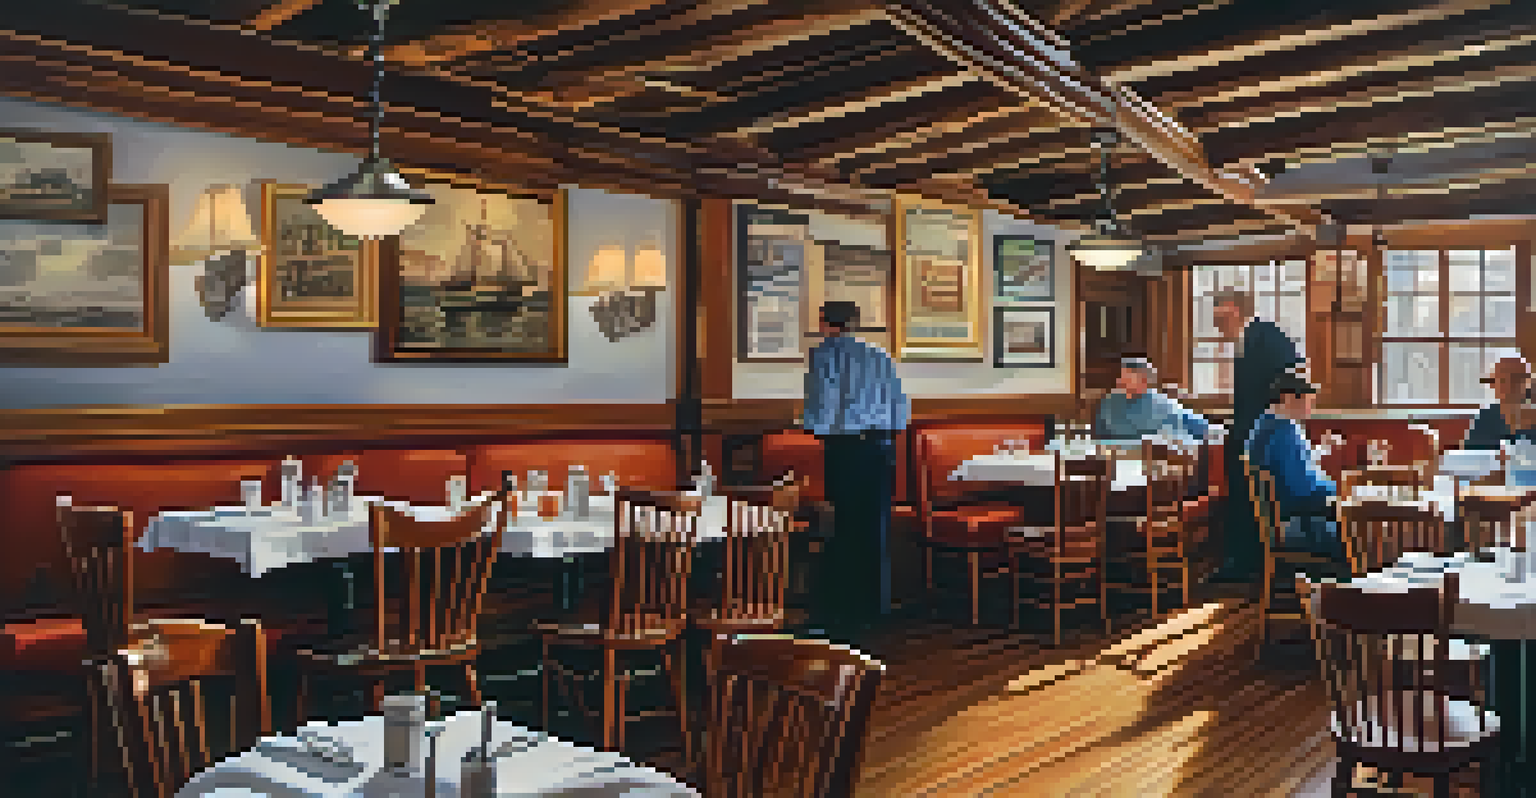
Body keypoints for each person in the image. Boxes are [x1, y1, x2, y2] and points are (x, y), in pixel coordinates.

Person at [802, 300, 909, 639]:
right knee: (875, 525)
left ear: (824, 321)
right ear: (855, 320)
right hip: (882, 446)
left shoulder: (825, 354)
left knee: (844, 525)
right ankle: (875, 609)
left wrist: (813, 427)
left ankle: (841, 613)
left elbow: (824, 404)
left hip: (846, 447)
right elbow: (899, 408)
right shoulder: (881, 355)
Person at [1212, 288, 1304, 581]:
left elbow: (1293, 378)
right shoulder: (1246, 340)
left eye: (1219, 313)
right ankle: (1242, 563)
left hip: (1263, 435)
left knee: (1259, 499)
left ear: (1235, 309)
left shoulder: (1267, 336)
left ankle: (1254, 565)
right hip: (1247, 433)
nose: (1215, 321)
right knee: (1242, 498)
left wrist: (1271, 422)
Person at [1245, 371, 1348, 572]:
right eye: (1308, 402)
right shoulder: (1284, 432)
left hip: (1283, 519)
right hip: (1293, 523)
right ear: (1289, 398)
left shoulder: (1265, 425)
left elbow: (1292, 468)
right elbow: (1303, 491)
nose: (1310, 409)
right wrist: (1342, 492)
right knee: (1359, 533)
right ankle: (1344, 594)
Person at [1094, 357, 1211, 442]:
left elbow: (1199, 427)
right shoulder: (1108, 402)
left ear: (1144, 381)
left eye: (1128, 378)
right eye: (1121, 377)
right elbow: (1099, 434)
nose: (1120, 382)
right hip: (1115, 454)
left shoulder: (1162, 404)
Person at [1463, 356, 1536, 450]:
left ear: (1526, 382)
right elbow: (1472, 453)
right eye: (1501, 380)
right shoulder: (1486, 417)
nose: (1508, 386)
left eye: (1514, 379)